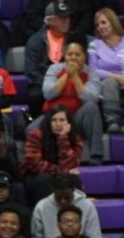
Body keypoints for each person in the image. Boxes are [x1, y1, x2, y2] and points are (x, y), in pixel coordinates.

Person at [40, 36, 104, 164]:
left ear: (84, 57)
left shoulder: (92, 73)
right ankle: (44, 161)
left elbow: (91, 97)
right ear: (65, 56)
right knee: (30, 129)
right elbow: (48, 94)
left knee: (91, 107)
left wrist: (75, 76)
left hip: (77, 119)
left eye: (77, 54)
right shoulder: (54, 69)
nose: (73, 58)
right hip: (54, 117)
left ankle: (96, 156)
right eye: (70, 54)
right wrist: (66, 75)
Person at [87, 7, 124, 132]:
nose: (100, 27)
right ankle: (112, 121)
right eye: (97, 24)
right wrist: (118, 78)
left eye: (104, 22)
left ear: (113, 21)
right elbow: (93, 70)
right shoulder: (94, 45)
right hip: (109, 84)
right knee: (109, 82)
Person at [21, 105, 84, 206]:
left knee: (74, 180)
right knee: (45, 179)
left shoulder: (75, 139)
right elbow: (35, 164)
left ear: (68, 123)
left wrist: (63, 138)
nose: (58, 124)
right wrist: (62, 171)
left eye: (62, 120)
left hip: (60, 175)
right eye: (54, 120)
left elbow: (70, 164)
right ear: (48, 122)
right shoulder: (36, 135)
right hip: (35, 177)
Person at [24, 1, 74, 119]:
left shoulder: (74, 39)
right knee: (34, 95)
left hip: (69, 83)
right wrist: (52, 87)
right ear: (49, 21)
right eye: (61, 18)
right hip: (43, 86)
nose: (66, 21)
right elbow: (32, 73)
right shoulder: (35, 41)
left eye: (67, 17)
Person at [31, 173, 102, 238]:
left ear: (73, 191)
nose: (63, 201)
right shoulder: (41, 207)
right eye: (59, 197)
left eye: (67, 197)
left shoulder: (87, 206)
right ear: (53, 191)